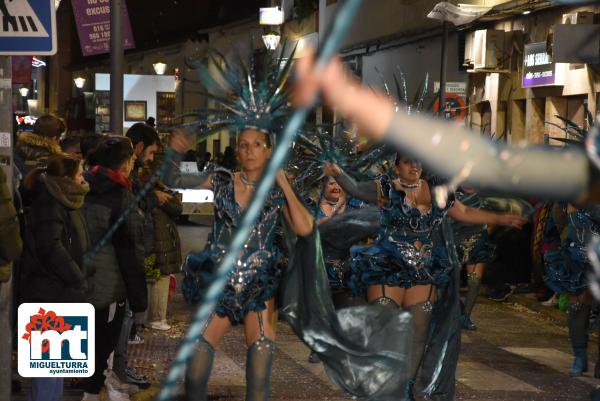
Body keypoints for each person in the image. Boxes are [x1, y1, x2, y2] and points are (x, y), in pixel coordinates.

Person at [323, 155, 526, 399]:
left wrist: (500, 218)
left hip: (422, 271)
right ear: (397, 166)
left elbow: (463, 211)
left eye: (418, 162)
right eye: (408, 162)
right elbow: (354, 187)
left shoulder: (435, 191)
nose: (415, 166)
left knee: (418, 334)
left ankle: (406, 388)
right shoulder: (385, 188)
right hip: (388, 268)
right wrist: (336, 170)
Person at [168, 127, 314, 400]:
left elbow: (305, 229)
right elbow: (173, 178)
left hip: (259, 286)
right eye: (244, 145)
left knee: (259, 360)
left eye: (257, 144)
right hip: (220, 282)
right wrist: (174, 152)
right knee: (196, 358)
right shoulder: (221, 181)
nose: (249, 150)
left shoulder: (276, 190)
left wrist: (283, 183)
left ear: (268, 151)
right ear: (237, 151)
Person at [81, 137, 148, 401]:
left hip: (79, 277)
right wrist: (139, 296)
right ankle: (91, 392)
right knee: (104, 342)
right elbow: (129, 248)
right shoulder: (120, 194)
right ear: (123, 164)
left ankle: (94, 388)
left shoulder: (82, 183)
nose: (133, 164)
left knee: (86, 341)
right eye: (132, 160)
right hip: (108, 284)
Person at [19, 154, 90, 401]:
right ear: (67, 179)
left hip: (56, 291)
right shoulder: (50, 203)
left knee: (55, 368)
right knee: (49, 371)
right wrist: (76, 276)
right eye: (80, 174)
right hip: (49, 294)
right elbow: (51, 247)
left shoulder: (59, 200)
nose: (83, 179)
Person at [544, 204, 600, 377]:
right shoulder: (562, 200)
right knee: (577, 307)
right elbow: (553, 231)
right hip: (575, 260)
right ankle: (579, 356)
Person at [451, 188, 496, 330]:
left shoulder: (486, 195)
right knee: (451, 280)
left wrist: (483, 235)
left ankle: (465, 316)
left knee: (474, 280)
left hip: (477, 240)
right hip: (454, 240)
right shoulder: (451, 190)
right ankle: (452, 313)